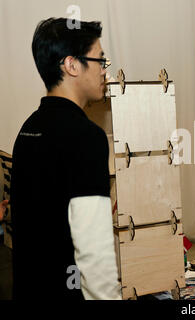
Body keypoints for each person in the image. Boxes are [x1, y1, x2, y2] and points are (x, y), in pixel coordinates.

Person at [10, 18, 121, 300]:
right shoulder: (87, 137)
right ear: (72, 65)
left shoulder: (28, 130)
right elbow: (94, 257)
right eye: (100, 61)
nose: (104, 71)